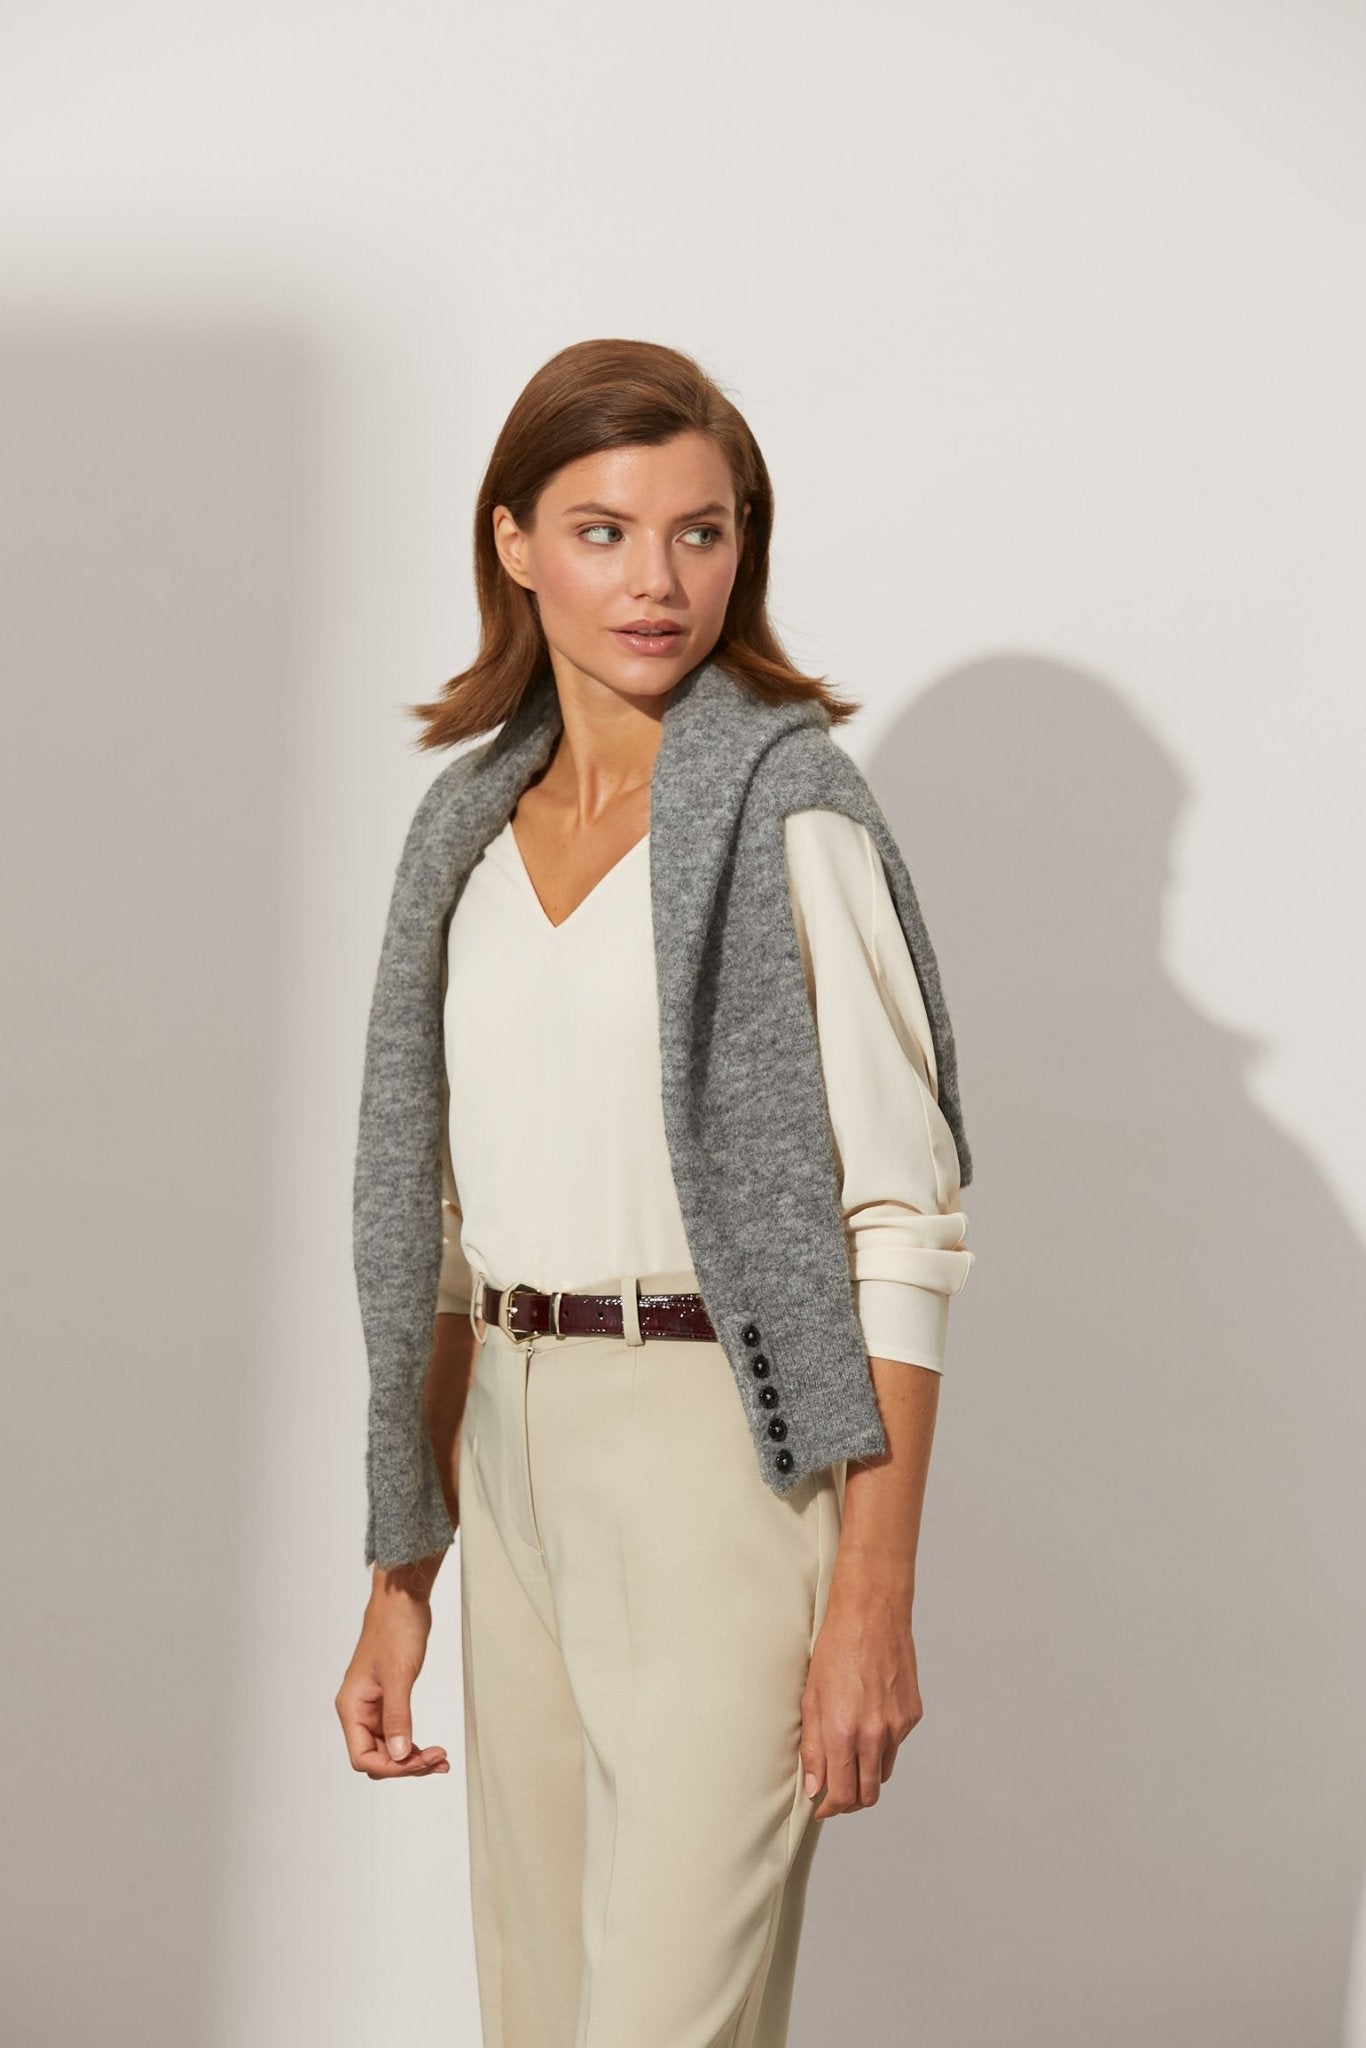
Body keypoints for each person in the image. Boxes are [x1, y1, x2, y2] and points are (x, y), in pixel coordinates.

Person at [335, 337, 975, 2048]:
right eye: (603, 531)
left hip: (720, 1464)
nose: (658, 581)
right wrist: (402, 1574)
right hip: (509, 1457)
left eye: (702, 532)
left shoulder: (792, 816)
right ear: (513, 543)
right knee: (538, 2015)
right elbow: (442, 1246)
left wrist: (871, 1598)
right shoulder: (464, 832)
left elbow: (901, 1224)